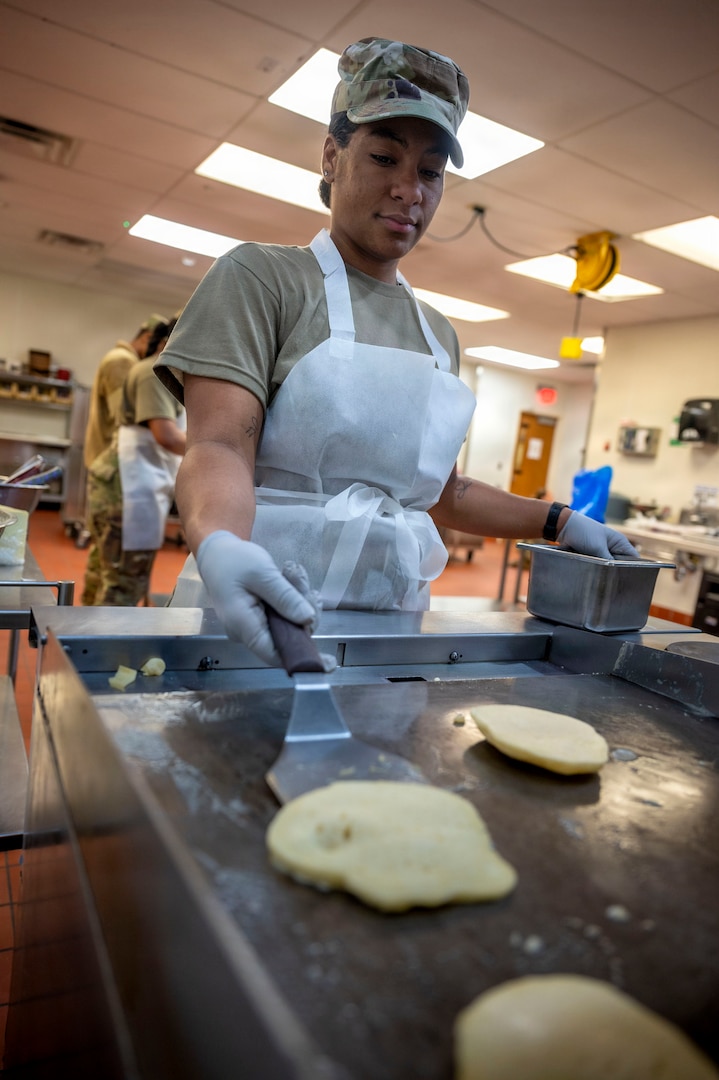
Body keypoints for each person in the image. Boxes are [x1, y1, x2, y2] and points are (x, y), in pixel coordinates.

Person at [156, 36, 638, 666]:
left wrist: (559, 521)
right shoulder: (261, 280)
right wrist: (220, 545)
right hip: (255, 609)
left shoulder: (438, 334)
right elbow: (219, 447)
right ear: (332, 156)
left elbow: (442, 492)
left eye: (431, 172)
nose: (410, 190)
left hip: (391, 626)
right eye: (385, 157)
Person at [83, 316, 186, 606]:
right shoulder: (153, 374)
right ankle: (102, 649)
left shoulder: (150, 370)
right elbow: (167, 436)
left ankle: (81, 638)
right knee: (122, 583)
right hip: (127, 487)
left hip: (122, 481)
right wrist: (217, 446)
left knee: (106, 571)